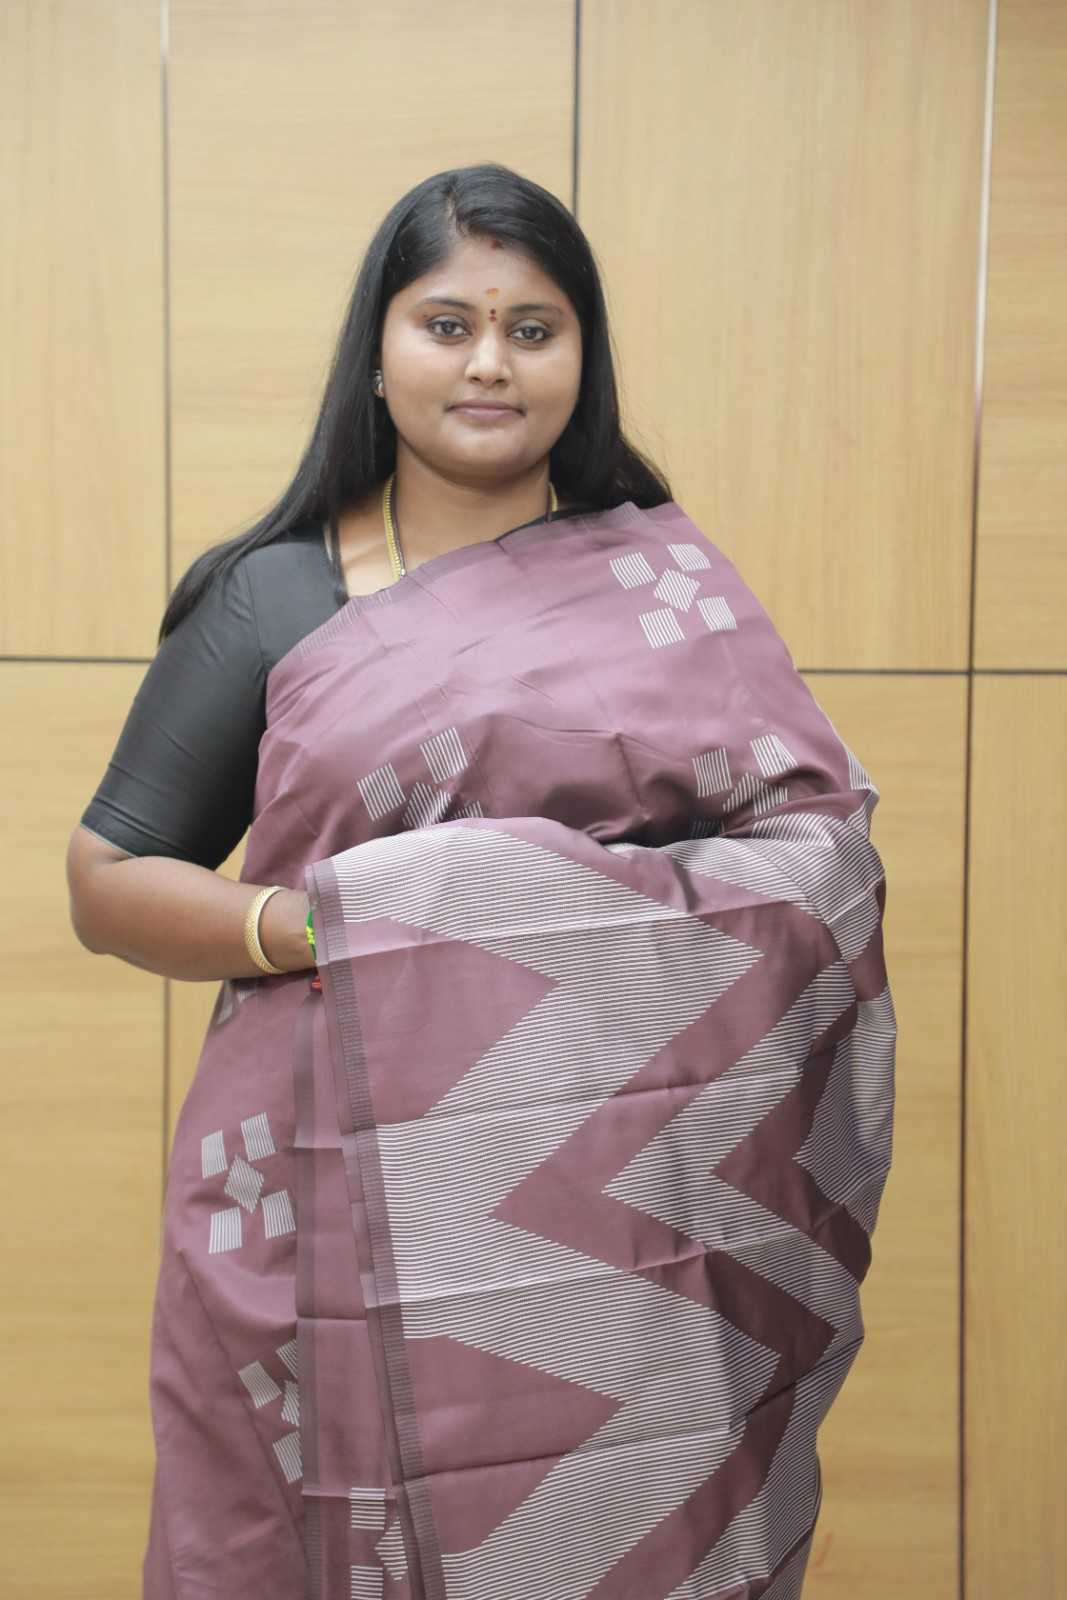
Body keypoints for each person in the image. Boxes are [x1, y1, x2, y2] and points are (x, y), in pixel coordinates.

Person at [67, 163, 895, 1600]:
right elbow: (108, 877)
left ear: (584, 357)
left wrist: (512, 905)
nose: (491, 364)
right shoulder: (274, 593)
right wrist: (344, 924)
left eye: (533, 328)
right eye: (447, 325)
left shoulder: (663, 596)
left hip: (617, 1215)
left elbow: (815, 862)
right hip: (314, 1188)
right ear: (378, 355)